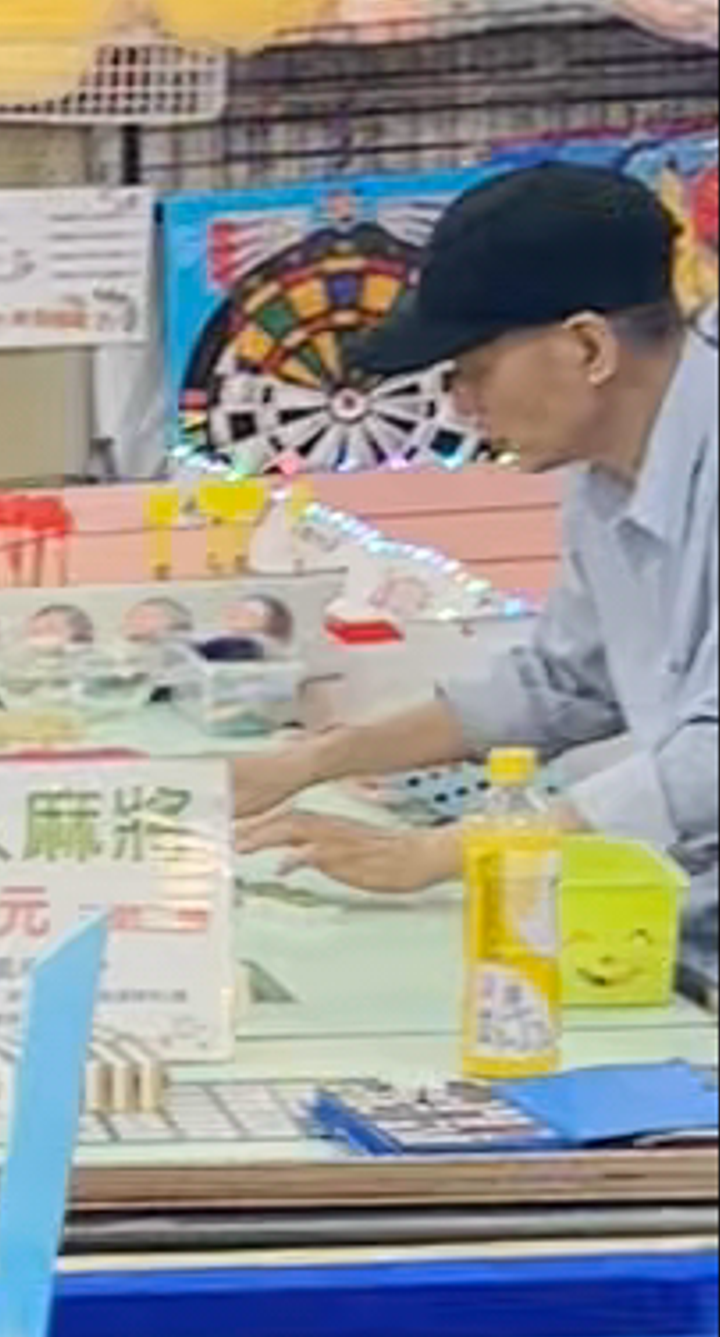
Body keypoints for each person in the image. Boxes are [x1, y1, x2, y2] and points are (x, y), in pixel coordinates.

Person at [229, 163, 716, 941]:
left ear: (588, 346)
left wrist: (443, 852)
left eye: (474, 371)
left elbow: (709, 763)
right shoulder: (604, 482)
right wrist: (315, 760)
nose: (459, 404)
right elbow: (562, 684)